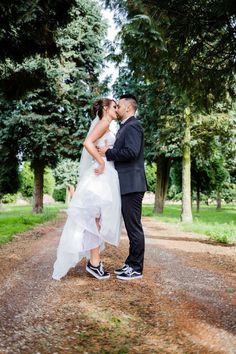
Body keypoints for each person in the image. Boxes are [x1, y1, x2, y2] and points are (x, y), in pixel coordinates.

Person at [52, 98, 122, 281]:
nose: (117, 109)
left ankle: (95, 262)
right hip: (101, 174)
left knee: (97, 218)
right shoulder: (105, 122)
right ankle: (94, 263)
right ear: (106, 108)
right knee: (95, 219)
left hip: (105, 174)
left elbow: (97, 144)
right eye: (114, 106)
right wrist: (100, 162)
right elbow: (87, 143)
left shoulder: (105, 123)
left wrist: (106, 150)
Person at [98, 94, 147, 280]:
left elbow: (132, 152)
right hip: (127, 184)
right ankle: (130, 263)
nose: (116, 108)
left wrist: (109, 153)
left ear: (128, 107)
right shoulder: (126, 126)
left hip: (133, 184)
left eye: (118, 105)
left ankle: (136, 267)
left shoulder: (133, 125)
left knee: (134, 227)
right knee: (131, 225)